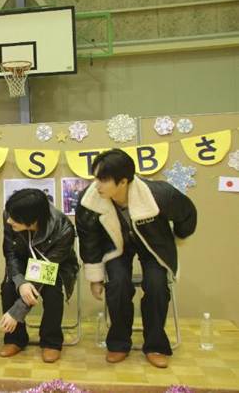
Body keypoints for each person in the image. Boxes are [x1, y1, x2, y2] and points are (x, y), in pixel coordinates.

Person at [76, 149, 197, 369]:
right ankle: (119, 343)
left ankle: (156, 345)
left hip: (153, 244)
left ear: (123, 181)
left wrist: (178, 237)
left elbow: (187, 213)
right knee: (118, 284)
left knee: (157, 284)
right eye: (95, 177)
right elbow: (89, 240)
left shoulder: (160, 195)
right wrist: (95, 277)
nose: (97, 185)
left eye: (103, 179)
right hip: (114, 247)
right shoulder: (88, 201)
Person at [0, 189, 78, 363]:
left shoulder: (64, 229)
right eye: (9, 216)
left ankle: (51, 341)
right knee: (9, 287)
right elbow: (10, 253)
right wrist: (21, 282)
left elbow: (47, 267)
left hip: (54, 265)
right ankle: (15, 339)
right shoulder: (10, 215)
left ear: (33, 220)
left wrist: (17, 311)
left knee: (52, 291)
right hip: (22, 261)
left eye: (14, 218)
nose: (9, 220)